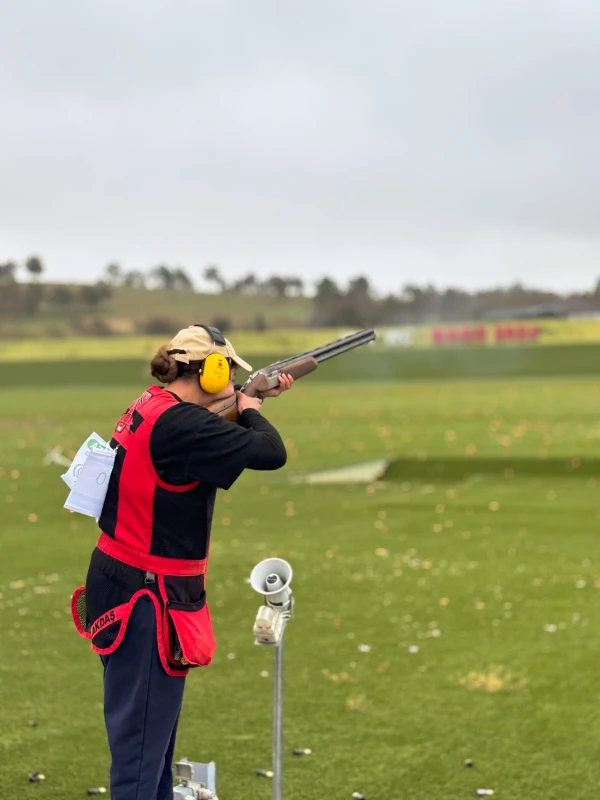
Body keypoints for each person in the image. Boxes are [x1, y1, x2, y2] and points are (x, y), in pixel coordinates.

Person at [71, 324, 293, 800]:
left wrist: (245, 405)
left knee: (150, 749)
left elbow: (194, 444)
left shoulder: (152, 404)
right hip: (148, 599)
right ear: (211, 372)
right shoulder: (185, 425)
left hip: (119, 582)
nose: (231, 381)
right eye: (227, 372)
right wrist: (251, 409)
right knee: (139, 761)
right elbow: (272, 453)